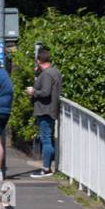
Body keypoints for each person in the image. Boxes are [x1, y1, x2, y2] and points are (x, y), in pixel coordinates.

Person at [27, 46, 63, 177]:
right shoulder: (55, 72)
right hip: (51, 109)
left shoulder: (47, 74)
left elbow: (45, 92)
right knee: (49, 138)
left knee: (46, 139)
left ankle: (46, 168)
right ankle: (49, 165)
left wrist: (33, 92)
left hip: (45, 110)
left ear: (38, 61)